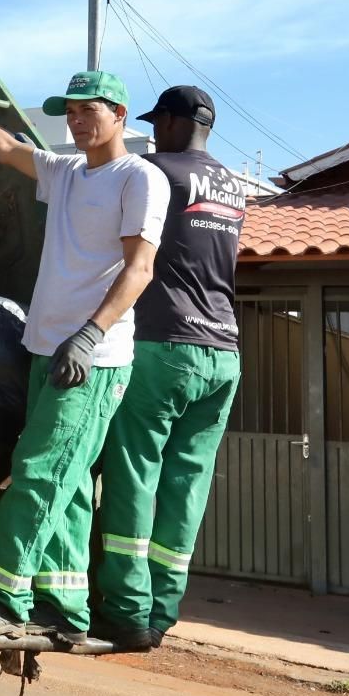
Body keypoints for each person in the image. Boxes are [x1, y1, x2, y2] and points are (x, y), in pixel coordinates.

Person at [0, 72, 169, 645]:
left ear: (120, 115)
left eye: (90, 111)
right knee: (70, 483)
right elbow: (9, 148)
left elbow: (140, 268)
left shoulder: (140, 178)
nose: (78, 122)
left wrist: (89, 335)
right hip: (46, 349)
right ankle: (65, 609)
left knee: (38, 473)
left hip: (92, 356)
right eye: (71, 113)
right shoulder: (65, 172)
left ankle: (5, 603)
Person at [92, 87, 244, 651]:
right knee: (187, 485)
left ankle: (127, 611)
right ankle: (161, 610)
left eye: (160, 122)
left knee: (135, 473)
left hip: (163, 347)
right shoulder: (233, 187)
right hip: (224, 351)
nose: (155, 132)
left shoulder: (156, 173)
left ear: (178, 123)